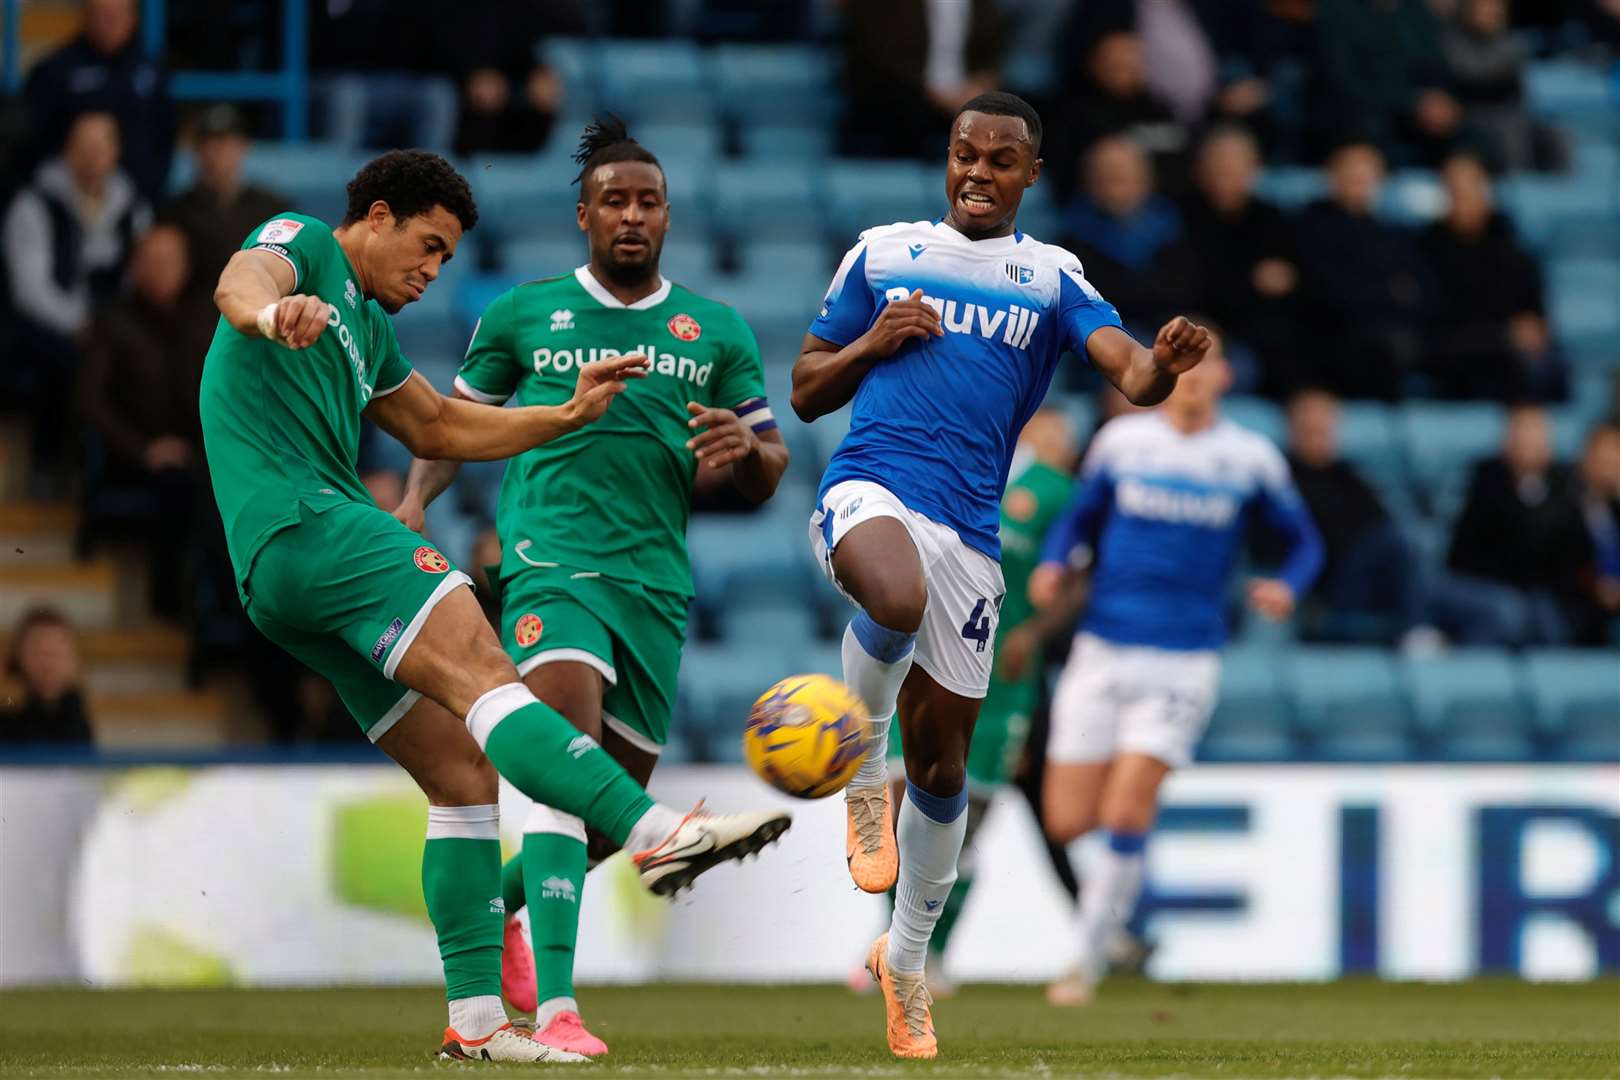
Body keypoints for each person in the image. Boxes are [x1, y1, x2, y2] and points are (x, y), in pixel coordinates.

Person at [198, 148, 790, 1063]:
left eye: (445, 260)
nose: (433, 273)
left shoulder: (368, 329)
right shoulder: (309, 247)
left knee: (462, 777)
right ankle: (658, 833)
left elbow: (438, 426)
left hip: (277, 574)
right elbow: (241, 279)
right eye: (427, 248)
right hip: (313, 519)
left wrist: (561, 415)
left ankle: (477, 1026)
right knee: (487, 675)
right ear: (380, 215)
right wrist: (270, 312)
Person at [791, 91, 1211, 1058]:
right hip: (873, 489)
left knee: (943, 775)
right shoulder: (884, 252)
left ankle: (905, 964)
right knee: (891, 597)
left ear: (1030, 175)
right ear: (947, 162)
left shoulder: (1052, 276)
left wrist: (1166, 365)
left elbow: (1131, 377)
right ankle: (861, 775)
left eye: (999, 160)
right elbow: (809, 390)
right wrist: (870, 342)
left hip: (973, 539)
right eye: (963, 154)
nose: (977, 171)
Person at [394, 117, 790, 1057]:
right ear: (582, 215)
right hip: (548, 561)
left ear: (666, 217)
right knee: (566, 756)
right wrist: (414, 506)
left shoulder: (717, 330)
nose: (632, 215)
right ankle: (560, 1011)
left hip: (655, 582)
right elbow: (453, 426)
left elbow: (769, 463)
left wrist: (748, 454)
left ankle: (490, 915)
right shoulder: (523, 315)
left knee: (608, 805)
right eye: (614, 200)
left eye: (648, 201)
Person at [1029, 331, 1322, 1006]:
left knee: (1128, 805)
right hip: (1102, 649)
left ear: (1222, 375)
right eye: (1180, 363)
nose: (1190, 375)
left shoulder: (1247, 458)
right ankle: (1117, 893)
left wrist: (1288, 586)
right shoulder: (1122, 443)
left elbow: (1304, 541)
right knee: (1069, 819)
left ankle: (1088, 956)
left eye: (1204, 362)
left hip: (1184, 657)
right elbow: (1079, 520)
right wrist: (1052, 562)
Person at [868, 407, 1080, 997]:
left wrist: (1035, 633)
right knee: (896, 807)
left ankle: (930, 957)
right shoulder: (943, 471)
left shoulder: (1055, 492)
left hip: (1003, 679)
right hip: (926, 663)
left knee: (962, 824)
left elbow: (1083, 575)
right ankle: (895, 946)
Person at [3, 110, 150, 489]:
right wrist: (80, 324)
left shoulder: (134, 207)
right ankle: (49, 463)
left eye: (100, 148)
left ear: (115, 152)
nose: (91, 158)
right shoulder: (33, 204)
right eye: (83, 148)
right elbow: (29, 288)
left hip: (112, 324)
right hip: (52, 326)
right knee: (64, 363)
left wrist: (110, 326)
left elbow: (139, 275)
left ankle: (118, 475)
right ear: (68, 151)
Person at [78, 223, 212, 620]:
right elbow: (89, 402)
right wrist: (144, 450)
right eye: (152, 261)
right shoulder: (112, 321)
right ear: (135, 267)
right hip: (133, 453)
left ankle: (232, 603)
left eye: (170, 261)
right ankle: (172, 600)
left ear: (185, 266)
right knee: (180, 486)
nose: (162, 269)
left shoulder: (206, 318)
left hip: (200, 447)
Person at [1444, 405, 1603, 645]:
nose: (1528, 443)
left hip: (1546, 591)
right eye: (1522, 434)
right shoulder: (1486, 479)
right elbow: (1499, 543)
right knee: (1512, 611)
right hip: (1489, 584)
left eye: (1536, 434)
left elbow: (1574, 545)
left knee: (1558, 614)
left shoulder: (1565, 486)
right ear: (1506, 441)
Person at [1419, 151, 1562, 402]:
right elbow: (1432, 326)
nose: (1462, 195)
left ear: (1486, 189)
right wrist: (1501, 335)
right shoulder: (1425, 251)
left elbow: (1535, 320)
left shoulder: (1513, 250)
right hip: (1452, 357)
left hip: (1506, 358)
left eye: (1469, 185)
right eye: (1453, 187)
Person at [1292, 139, 1428, 400]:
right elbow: (1326, 291)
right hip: (1330, 339)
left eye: (1366, 170)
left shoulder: (1393, 233)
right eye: (1349, 169)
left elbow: (1421, 292)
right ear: (1331, 175)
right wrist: (1388, 291)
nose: (1357, 177)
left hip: (1385, 337)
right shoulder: (1309, 227)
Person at [1180, 126, 1302, 397]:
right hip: (1196, 325)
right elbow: (1189, 281)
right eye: (1218, 162)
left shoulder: (1272, 218)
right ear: (1201, 168)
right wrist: (1251, 280)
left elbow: (1288, 280)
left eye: (1236, 164)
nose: (1226, 171)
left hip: (1255, 330)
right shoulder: (1178, 217)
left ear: (1254, 170)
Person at [20, 0, 172, 203]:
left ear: (134, 16)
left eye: (118, 13)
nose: (110, 21)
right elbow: (34, 143)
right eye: (102, 13)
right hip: (66, 202)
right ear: (85, 15)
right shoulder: (55, 71)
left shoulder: (152, 69)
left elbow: (164, 136)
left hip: (137, 201)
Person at [1061, 134, 1206, 342]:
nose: (1113, 179)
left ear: (1145, 178)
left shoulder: (1173, 224)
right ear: (1089, 181)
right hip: (1103, 338)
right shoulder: (1073, 234)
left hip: (1169, 327)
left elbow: (1186, 291)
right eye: (1105, 173)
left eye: (1122, 173)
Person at [163, 104, 287, 326]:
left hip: (260, 324)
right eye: (211, 143)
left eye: (228, 143)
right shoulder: (174, 214)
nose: (219, 152)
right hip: (193, 330)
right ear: (197, 150)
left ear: (243, 147)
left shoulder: (272, 209)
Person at [838, 0, 1005, 160]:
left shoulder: (982, 4)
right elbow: (881, 56)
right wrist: (937, 95)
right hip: (901, 97)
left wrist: (982, 84)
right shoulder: (883, 5)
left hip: (964, 97)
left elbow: (990, 53)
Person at [1, 608, 94, 746]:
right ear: (19, 655)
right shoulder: (7, 710)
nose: (48, 660)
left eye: (57, 650)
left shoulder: (75, 708)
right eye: (37, 649)